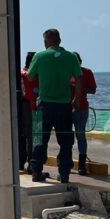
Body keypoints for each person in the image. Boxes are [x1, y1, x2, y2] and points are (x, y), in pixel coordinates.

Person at [27, 29, 82, 183]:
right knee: (65, 142)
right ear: (60, 40)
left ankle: (36, 172)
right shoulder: (71, 57)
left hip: (43, 104)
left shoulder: (40, 55)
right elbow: (78, 79)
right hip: (64, 105)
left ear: (46, 42)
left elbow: (30, 77)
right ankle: (64, 175)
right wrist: (76, 99)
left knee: (39, 139)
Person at [70, 53, 97, 175]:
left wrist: (78, 87)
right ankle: (66, 161)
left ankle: (82, 165)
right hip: (66, 108)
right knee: (66, 136)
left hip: (81, 108)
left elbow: (93, 90)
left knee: (80, 136)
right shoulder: (66, 72)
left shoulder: (87, 72)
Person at [20, 52, 39, 170]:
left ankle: (25, 161)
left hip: (28, 106)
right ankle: (32, 163)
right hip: (31, 106)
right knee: (33, 136)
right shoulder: (29, 74)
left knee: (27, 136)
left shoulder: (22, 73)